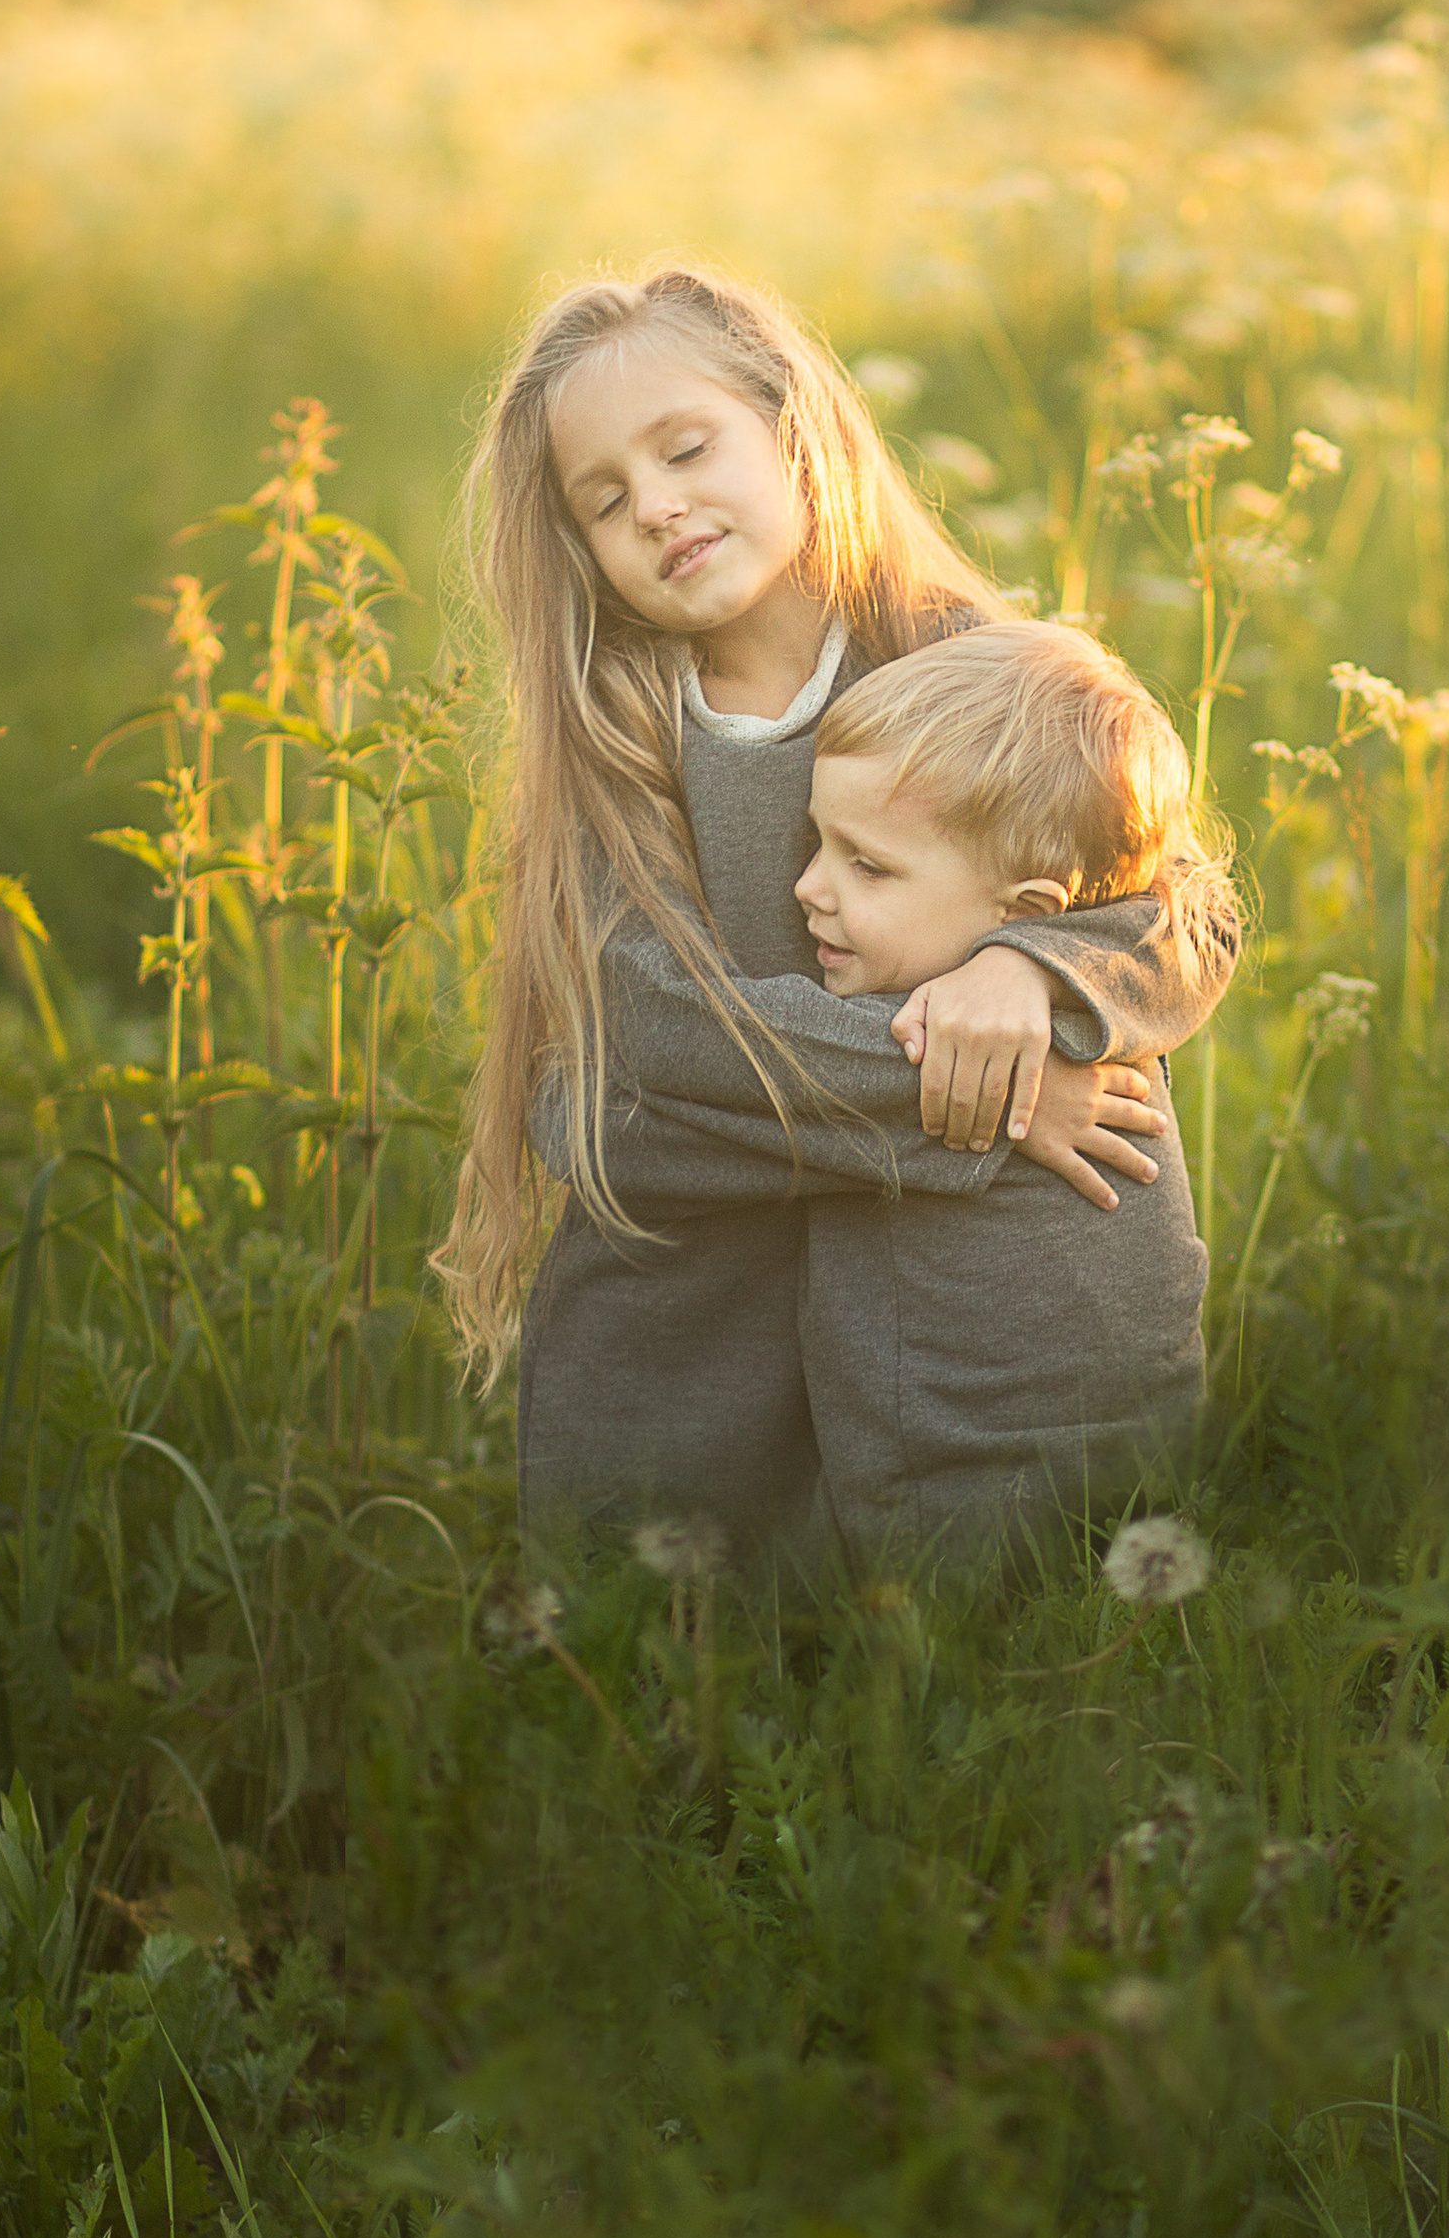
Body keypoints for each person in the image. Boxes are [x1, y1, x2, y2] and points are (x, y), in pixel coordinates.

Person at [433, 262, 1236, 1549]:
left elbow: (1190, 911)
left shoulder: (958, 661)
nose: (657, 505)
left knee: (948, 1647)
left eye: (686, 449)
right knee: (682, 1655)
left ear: (789, 426)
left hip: (937, 1348)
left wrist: (1031, 971)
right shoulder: (614, 744)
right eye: (605, 499)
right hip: (680, 1356)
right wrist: (992, 1105)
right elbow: (626, 1078)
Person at [582, 619, 1222, 1551]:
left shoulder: (1054, 1051)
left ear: (1028, 912)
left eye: (867, 865)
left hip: (971, 1518)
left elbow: (603, 1134)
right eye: (818, 843)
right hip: (1015, 1505)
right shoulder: (1061, 1021)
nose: (807, 888)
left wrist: (1023, 973)